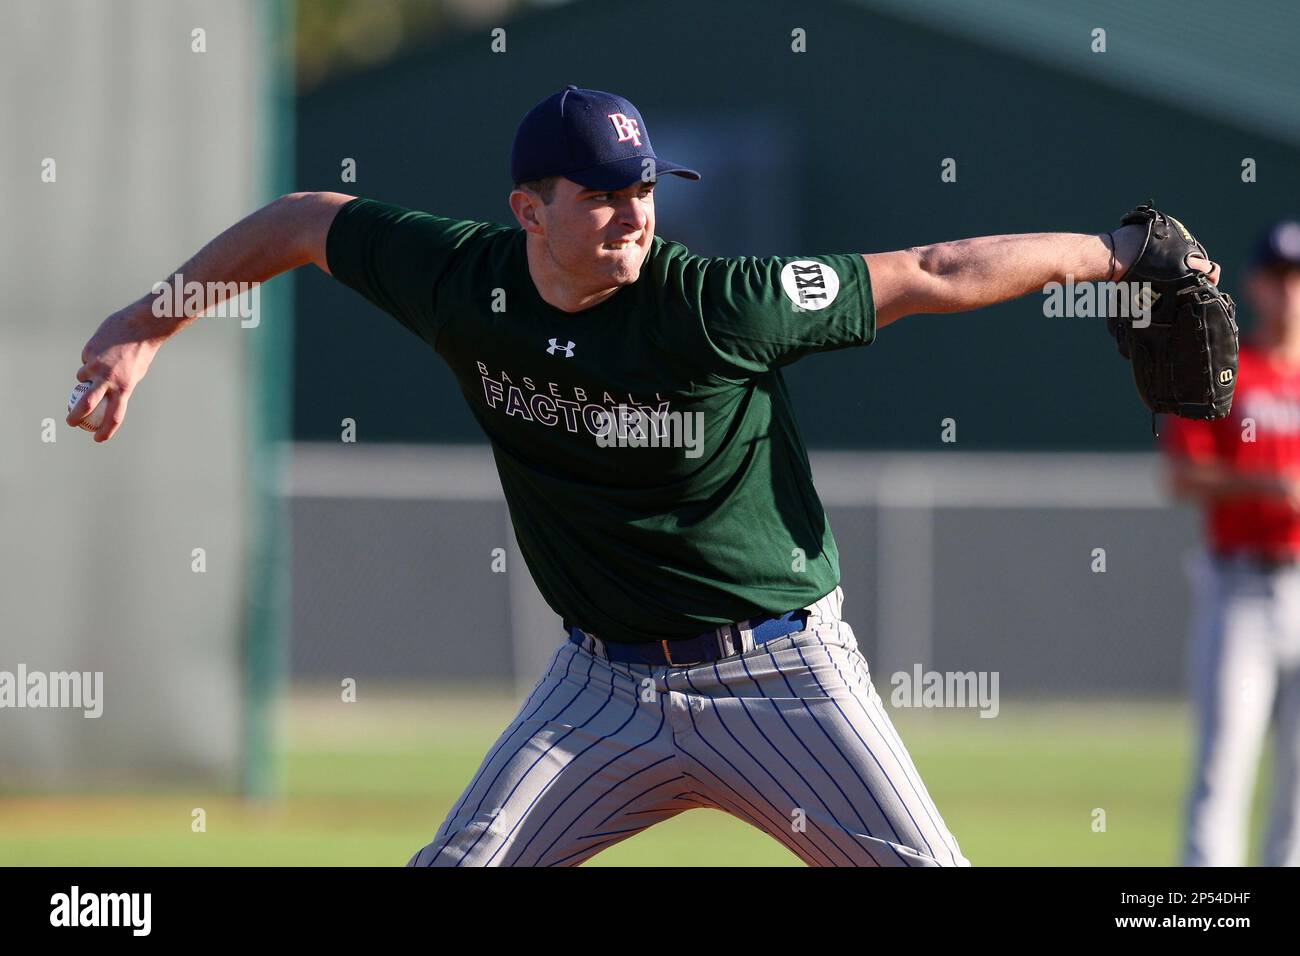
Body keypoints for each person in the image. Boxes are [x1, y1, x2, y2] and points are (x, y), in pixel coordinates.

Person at [70, 86, 1218, 866]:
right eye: (601, 193)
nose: (632, 211)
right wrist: (146, 320)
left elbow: (929, 269)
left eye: (644, 187)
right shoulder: (461, 281)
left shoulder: (713, 303)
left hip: (779, 672)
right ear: (530, 209)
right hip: (599, 689)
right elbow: (303, 218)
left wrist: (1113, 257)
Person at [1163, 218, 1300, 867]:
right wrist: (1265, 483)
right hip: (1242, 584)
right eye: (1279, 279)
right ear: (1256, 285)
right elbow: (1183, 473)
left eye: (1299, 280)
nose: (1290, 294)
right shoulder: (1226, 365)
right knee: (1224, 767)